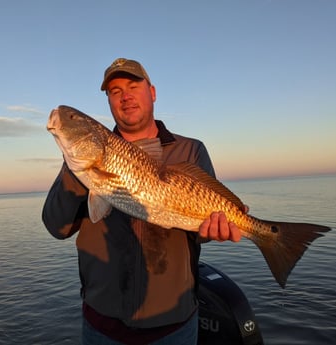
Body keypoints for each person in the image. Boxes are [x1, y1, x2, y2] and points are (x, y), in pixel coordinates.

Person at [42, 58, 242, 345]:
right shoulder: (86, 160)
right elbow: (56, 227)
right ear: (109, 102)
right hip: (102, 325)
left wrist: (215, 229)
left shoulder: (191, 150)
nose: (125, 96)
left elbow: (202, 230)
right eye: (114, 91)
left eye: (133, 86)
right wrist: (76, 167)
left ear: (153, 92)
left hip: (174, 325)